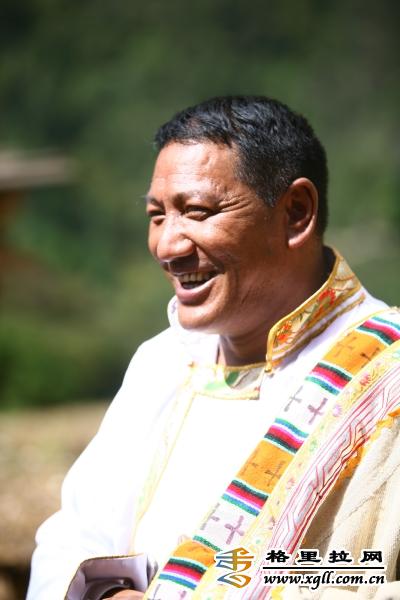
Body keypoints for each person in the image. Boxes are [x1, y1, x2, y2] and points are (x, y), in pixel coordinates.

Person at [27, 96, 400, 600]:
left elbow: (371, 577)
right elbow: (72, 539)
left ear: (296, 212)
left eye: (197, 212)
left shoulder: (388, 374)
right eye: (157, 215)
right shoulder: (163, 362)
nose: (168, 246)